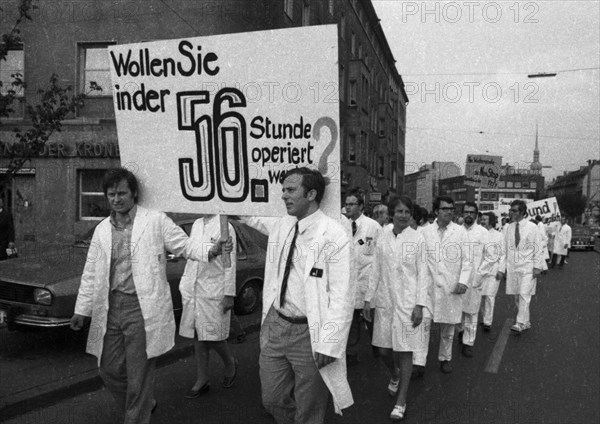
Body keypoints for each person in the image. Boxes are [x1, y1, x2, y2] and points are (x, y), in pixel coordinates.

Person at [70, 168, 232, 424]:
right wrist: (82, 309)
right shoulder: (102, 229)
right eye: (111, 194)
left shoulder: (155, 220)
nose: (116, 199)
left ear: (134, 193)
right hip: (111, 307)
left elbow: (185, 245)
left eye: (121, 193)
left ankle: (137, 416)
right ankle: (145, 402)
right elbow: (91, 271)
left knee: (139, 375)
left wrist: (212, 249)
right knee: (109, 370)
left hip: (141, 308)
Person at [242, 167, 353, 423]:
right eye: (283, 190)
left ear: (311, 194)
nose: (284, 196)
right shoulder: (284, 225)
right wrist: (227, 205)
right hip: (277, 324)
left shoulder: (333, 235)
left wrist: (329, 341)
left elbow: (342, 296)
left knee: (310, 407)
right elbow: (256, 219)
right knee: (271, 398)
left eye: (291, 190)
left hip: (309, 334)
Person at [364, 196, 430, 421]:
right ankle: (395, 375)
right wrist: (368, 299)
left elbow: (424, 274)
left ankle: (401, 401)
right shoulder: (383, 235)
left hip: (407, 303)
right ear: (392, 213)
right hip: (385, 300)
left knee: (404, 350)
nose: (403, 215)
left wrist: (420, 305)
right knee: (383, 350)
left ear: (411, 214)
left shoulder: (418, 238)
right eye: (399, 211)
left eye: (407, 211)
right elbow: (375, 268)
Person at [179, 215, 238, 398]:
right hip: (193, 287)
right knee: (198, 334)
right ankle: (202, 378)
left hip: (213, 288)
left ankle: (230, 363)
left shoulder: (225, 226)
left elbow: (231, 262)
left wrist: (229, 293)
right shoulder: (196, 224)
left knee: (214, 336)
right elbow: (192, 251)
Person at [421, 196, 472, 374]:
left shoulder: (460, 232)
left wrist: (463, 281)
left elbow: (467, 260)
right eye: (444, 208)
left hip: (451, 287)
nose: (449, 211)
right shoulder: (425, 231)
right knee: (423, 326)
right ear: (436, 211)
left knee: (448, 328)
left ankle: (445, 358)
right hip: (428, 288)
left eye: (451, 208)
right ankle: (419, 362)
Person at [344, 189, 382, 366]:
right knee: (351, 319)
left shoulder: (373, 226)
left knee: (371, 317)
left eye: (352, 204)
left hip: (368, 280)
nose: (348, 207)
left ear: (360, 206)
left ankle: (378, 346)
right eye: (346, 203)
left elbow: (381, 254)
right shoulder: (341, 224)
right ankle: (351, 352)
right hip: (348, 280)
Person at [498, 200, 544, 333]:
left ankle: (520, 322)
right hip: (513, 267)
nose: (511, 213)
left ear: (523, 212)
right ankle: (526, 321)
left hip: (528, 267)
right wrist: (502, 268)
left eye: (515, 211)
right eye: (510, 210)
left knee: (524, 294)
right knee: (517, 296)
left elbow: (538, 247)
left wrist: (537, 266)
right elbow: (504, 249)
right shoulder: (508, 227)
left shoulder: (532, 227)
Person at [457, 202, 489, 358]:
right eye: (466, 212)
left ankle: (468, 342)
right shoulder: (456, 231)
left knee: (472, 312)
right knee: (457, 309)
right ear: (462, 214)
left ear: (476, 215)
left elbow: (490, 256)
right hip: (458, 278)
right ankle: (460, 331)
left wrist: (480, 274)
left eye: (472, 212)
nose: (468, 215)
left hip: (474, 278)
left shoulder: (483, 233)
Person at [479, 212, 504, 331]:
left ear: (491, 221)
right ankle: (484, 317)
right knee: (481, 296)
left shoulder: (499, 236)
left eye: (485, 219)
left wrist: (501, 270)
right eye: (482, 219)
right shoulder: (479, 233)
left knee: (489, 296)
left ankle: (487, 322)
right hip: (479, 271)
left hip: (493, 271)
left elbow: (503, 254)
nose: (482, 221)